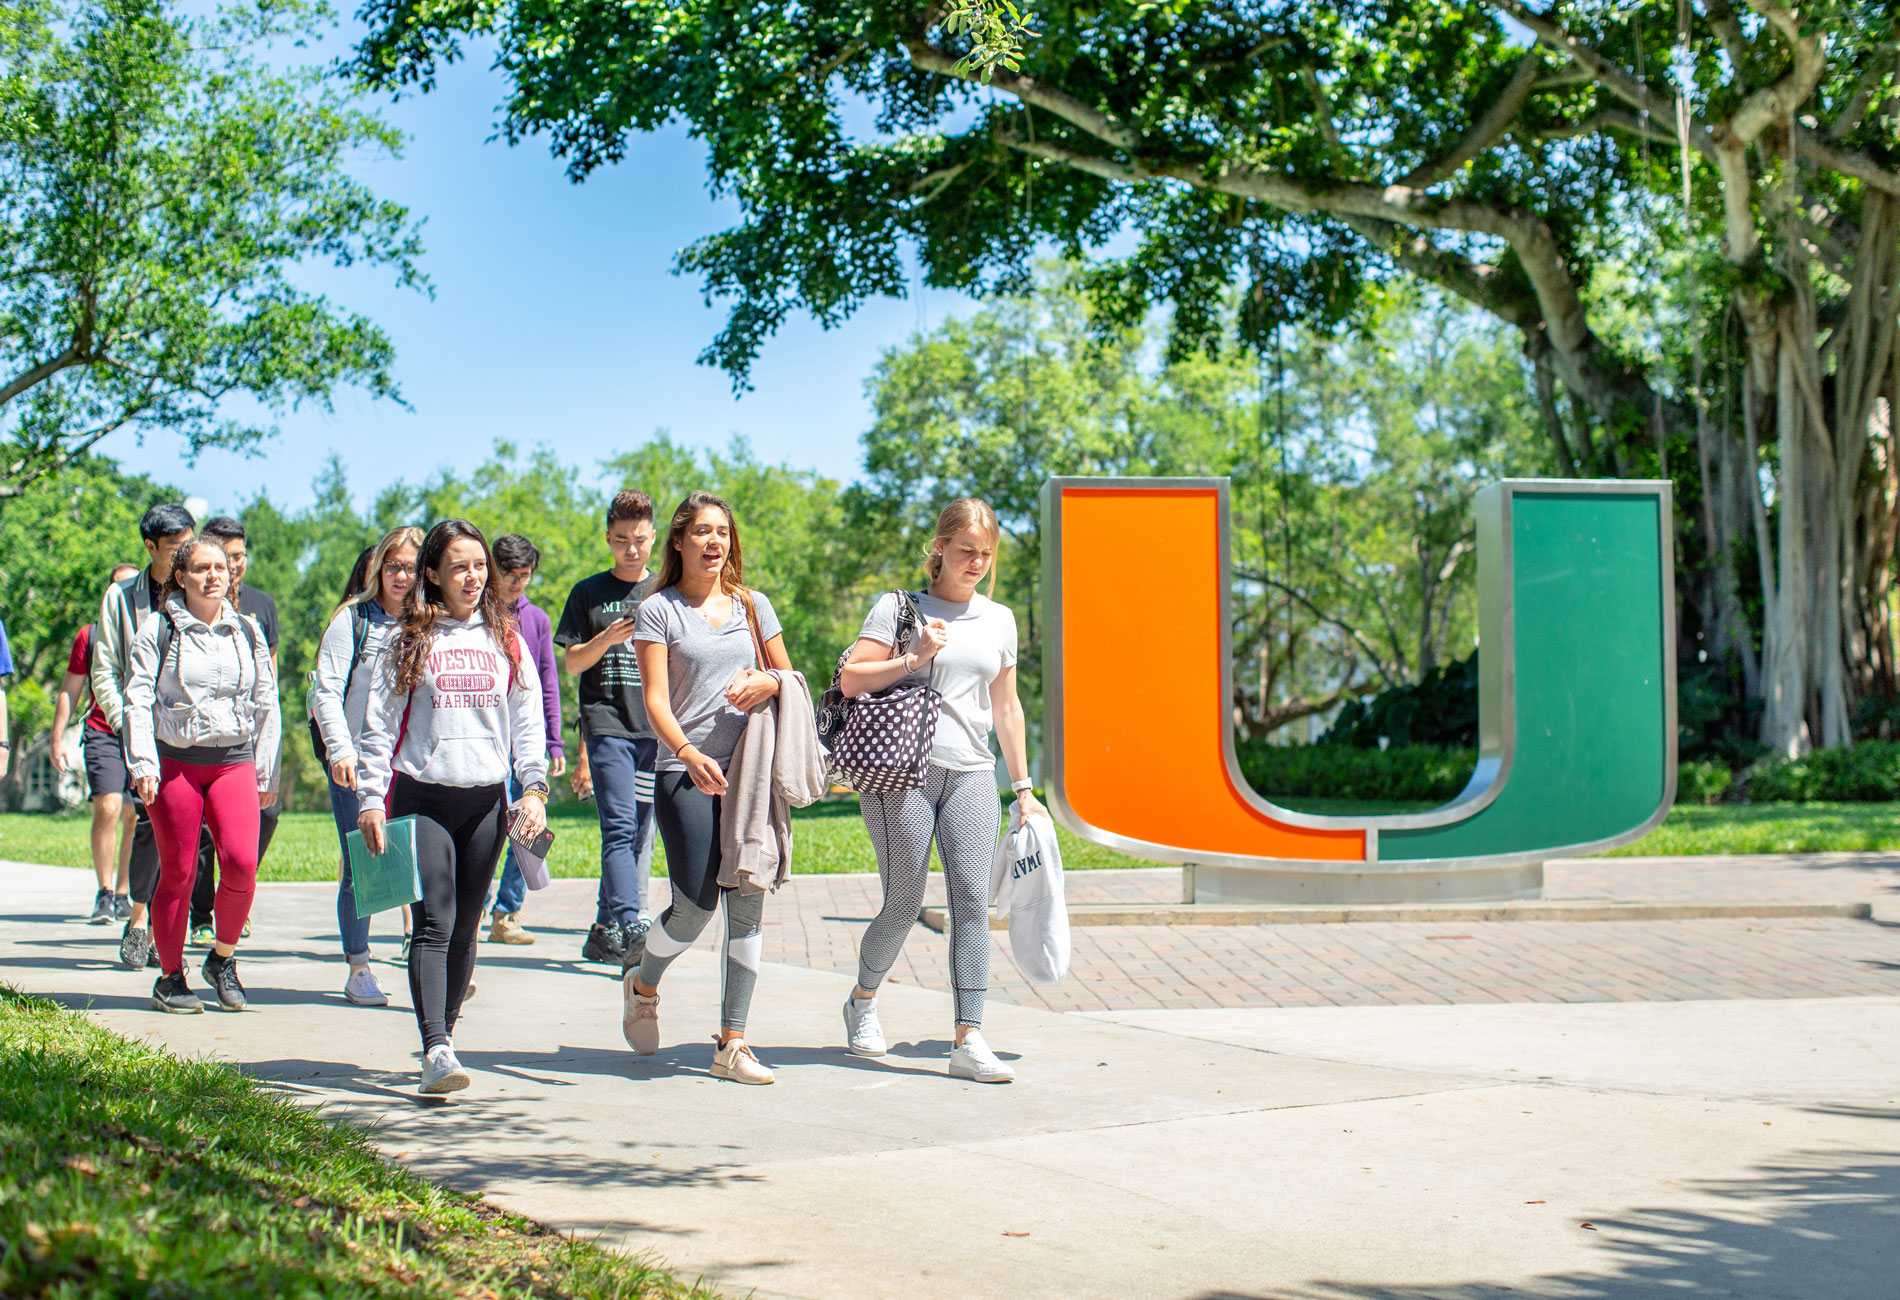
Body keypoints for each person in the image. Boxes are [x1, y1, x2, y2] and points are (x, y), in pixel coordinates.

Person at [839, 498, 1047, 1083]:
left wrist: (1023, 787)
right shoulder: (898, 608)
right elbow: (853, 677)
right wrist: (916, 656)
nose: (977, 562)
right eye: (966, 551)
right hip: (902, 770)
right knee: (904, 902)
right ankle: (863, 998)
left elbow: (1006, 707)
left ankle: (969, 1036)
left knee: (970, 902)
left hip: (974, 772)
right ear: (940, 548)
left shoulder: (998, 618)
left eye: (986, 553)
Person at [355, 519, 550, 1096]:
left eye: (479, 565)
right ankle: (435, 1047)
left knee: (467, 926)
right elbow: (378, 724)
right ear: (433, 575)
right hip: (425, 796)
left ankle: (448, 1035)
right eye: (459, 565)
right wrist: (370, 797)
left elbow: (527, 720)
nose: (472, 575)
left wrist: (533, 788)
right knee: (434, 923)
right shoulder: (408, 638)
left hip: (487, 801)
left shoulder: (506, 638)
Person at [624, 490, 792, 1086]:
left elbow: (788, 674)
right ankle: (643, 984)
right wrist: (689, 753)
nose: (714, 542)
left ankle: (733, 1043)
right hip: (684, 772)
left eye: (722, 531)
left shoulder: (753, 605)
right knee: (696, 907)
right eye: (701, 532)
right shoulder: (658, 610)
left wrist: (769, 683)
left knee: (747, 903)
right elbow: (654, 701)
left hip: (750, 772)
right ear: (678, 541)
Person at [123, 534, 280, 1014]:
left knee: (242, 865)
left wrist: (266, 771)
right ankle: (171, 979)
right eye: (201, 569)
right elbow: (137, 698)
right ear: (182, 577)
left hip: (233, 761)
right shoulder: (158, 630)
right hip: (176, 764)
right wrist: (143, 763)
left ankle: (222, 958)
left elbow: (266, 701)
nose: (214, 575)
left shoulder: (248, 631)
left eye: (221, 567)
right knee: (180, 871)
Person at [311, 525, 422, 1007]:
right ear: (378, 568)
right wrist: (340, 750)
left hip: (415, 765)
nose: (401, 576)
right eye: (393, 566)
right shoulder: (353, 620)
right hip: (358, 765)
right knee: (364, 865)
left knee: (423, 863)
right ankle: (359, 967)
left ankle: (430, 958)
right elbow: (325, 692)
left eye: (411, 567)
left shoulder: (430, 623)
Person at [556, 490, 662, 966]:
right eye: (621, 540)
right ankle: (631, 920)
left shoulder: (666, 592)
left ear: (654, 537)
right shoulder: (587, 592)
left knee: (641, 832)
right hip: (607, 726)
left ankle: (602, 931)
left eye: (639, 539)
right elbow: (573, 663)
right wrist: (606, 636)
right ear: (608, 539)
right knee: (619, 828)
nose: (631, 549)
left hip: (654, 731)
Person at [94, 503, 200, 971]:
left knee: (178, 828)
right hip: (137, 729)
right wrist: (130, 726)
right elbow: (104, 671)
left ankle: (155, 922)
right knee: (147, 822)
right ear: (150, 547)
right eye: (177, 548)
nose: (187, 557)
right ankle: (140, 916)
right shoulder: (120, 598)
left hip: (188, 732)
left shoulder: (200, 588)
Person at [189, 517, 281, 948]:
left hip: (246, 737)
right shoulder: (186, 604)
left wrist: (269, 743)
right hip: (197, 744)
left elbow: (270, 677)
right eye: (224, 558)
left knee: (263, 819)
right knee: (204, 833)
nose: (231, 566)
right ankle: (203, 912)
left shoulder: (261, 606)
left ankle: (233, 901)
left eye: (238, 557)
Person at [484, 533, 566, 944]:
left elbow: (549, 682)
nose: (517, 583)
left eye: (525, 575)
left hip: (527, 745)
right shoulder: (475, 616)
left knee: (528, 827)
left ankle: (507, 913)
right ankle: (474, 905)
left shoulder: (537, 620)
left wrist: (555, 742)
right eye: (509, 575)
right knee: (485, 830)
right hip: (486, 742)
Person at [50, 563, 143, 922]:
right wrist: (57, 737)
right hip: (102, 729)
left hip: (142, 734)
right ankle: (104, 892)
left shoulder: (154, 628)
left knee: (136, 815)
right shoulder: (89, 636)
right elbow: (70, 688)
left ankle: (124, 892)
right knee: (108, 807)